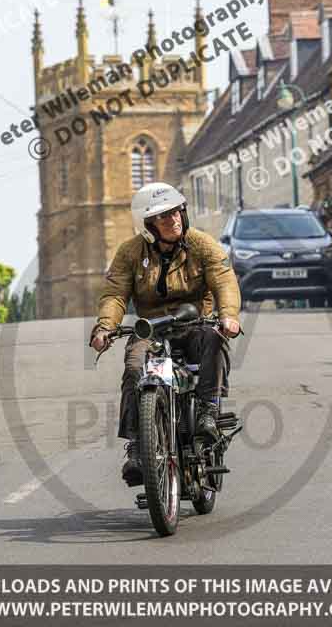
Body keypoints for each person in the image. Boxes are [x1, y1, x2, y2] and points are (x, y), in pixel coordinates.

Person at [89, 182, 241, 486]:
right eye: (162, 217)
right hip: (152, 330)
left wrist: (228, 316)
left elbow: (224, 280)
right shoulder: (130, 252)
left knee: (215, 339)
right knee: (134, 368)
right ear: (147, 226)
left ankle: (208, 412)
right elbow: (115, 293)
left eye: (175, 213)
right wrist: (105, 327)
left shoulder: (202, 244)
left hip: (195, 325)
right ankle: (136, 445)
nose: (172, 220)